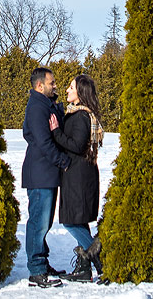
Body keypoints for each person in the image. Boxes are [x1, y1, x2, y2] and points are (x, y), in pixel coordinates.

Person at [48, 74, 104, 282]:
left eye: (71, 87)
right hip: (78, 173)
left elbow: (76, 145)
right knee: (78, 220)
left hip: (79, 175)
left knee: (71, 222)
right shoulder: (77, 114)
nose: (66, 90)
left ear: (80, 92)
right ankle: (84, 269)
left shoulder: (81, 116)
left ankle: (100, 260)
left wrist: (55, 132)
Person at [22, 66, 70, 288]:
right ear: (39, 85)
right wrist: (62, 161)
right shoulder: (37, 107)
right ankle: (37, 271)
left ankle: (42, 263)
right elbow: (43, 141)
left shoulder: (45, 104)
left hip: (47, 173)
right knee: (38, 223)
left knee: (45, 222)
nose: (55, 85)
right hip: (40, 173)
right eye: (52, 83)